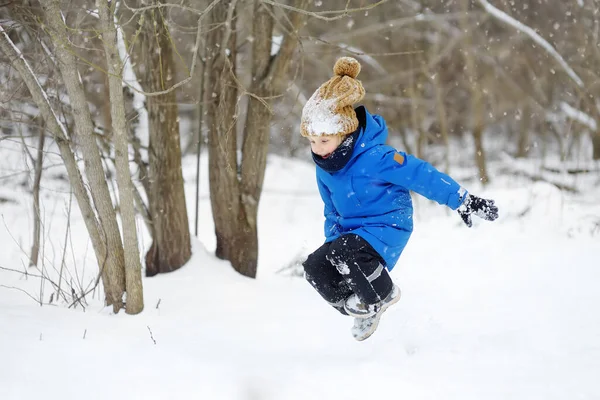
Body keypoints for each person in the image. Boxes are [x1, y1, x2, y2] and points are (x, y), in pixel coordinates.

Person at [300, 57, 499, 341]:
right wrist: (332, 242)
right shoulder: (326, 171)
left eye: (324, 141)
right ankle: (359, 306)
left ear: (344, 133)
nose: (318, 150)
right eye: (312, 142)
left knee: (344, 250)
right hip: (352, 236)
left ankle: (382, 293)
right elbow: (331, 210)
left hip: (388, 225)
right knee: (315, 266)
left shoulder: (377, 158)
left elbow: (421, 175)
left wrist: (461, 199)